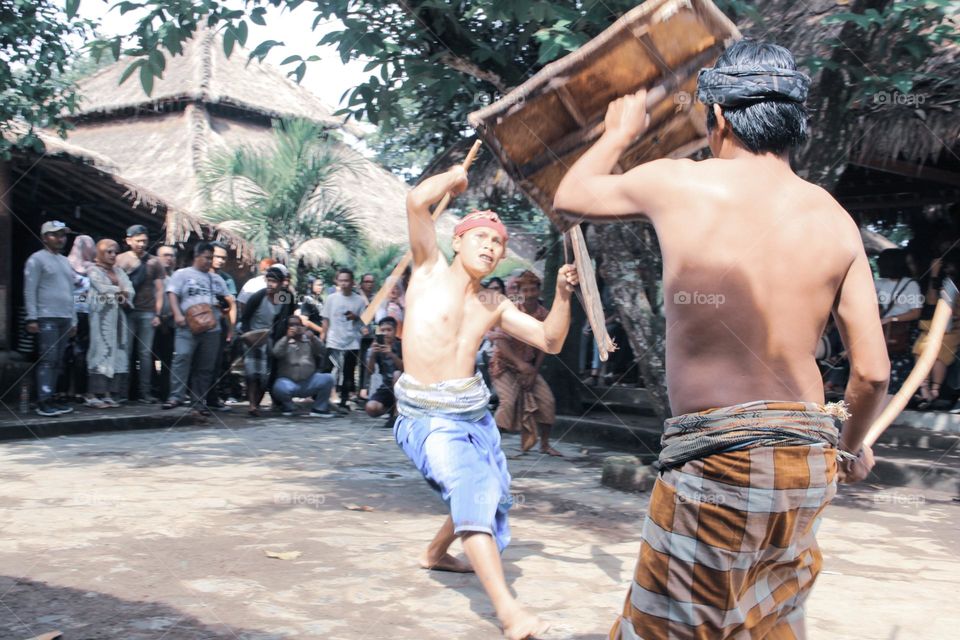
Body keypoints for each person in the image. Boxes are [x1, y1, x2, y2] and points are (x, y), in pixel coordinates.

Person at [554, 40, 889, 639]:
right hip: (807, 462)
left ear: (723, 117)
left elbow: (570, 196)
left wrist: (619, 132)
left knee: (666, 630)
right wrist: (849, 448)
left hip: (722, 460)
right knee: (764, 620)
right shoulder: (835, 218)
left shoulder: (680, 184)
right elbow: (872, 373)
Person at [395, 168, 578, 640]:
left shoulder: (493, 303)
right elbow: (417, 202)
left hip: (471, 414)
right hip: (427, 416)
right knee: (474, 486)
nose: (490, 247)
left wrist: (561, 295)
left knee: (489, 487)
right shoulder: (427, 268)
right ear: (457, 241)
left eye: (496, 243)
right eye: (480, 237)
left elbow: (551, 340)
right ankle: (510, 615)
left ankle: (435, 553)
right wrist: (453, 178)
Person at [489, 271, 561, 456]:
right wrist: (519, 364)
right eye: (525, 290)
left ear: (539, 291)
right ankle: (489, 445)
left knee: (547, 400)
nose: (529, 294)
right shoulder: (510, 311)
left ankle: (544, 444)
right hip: (504, 365)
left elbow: (545, 346)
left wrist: (533, 372)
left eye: (532, 290)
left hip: (529, 368)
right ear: (520, 292)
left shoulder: (544, 314)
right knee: (508, 402)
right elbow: (500, 340)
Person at [163, 242, 236, 415]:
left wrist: (229, 325)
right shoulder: (182, 274)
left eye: (211, 258)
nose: (209, 261)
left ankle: (198, 401)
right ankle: (176, 396)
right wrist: (177, 314)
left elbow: (229, 302)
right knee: (182, 357)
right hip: (187, 324)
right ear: (197, 256)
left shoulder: (216, 279)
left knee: (205, 366)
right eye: (207, 257)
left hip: (212, 327)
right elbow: (172, 294)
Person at [23, 220, 78, 417]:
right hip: (46, 316)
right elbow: (30, 290)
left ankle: (51, 396)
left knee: (58, 361)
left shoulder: (65, 261)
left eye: (63, 235)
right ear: (45, 237)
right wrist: (32, 318)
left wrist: (73, 320)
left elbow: (71, 292)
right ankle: (43, 400)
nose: (60, 239)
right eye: (55, 235)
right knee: (48, 359)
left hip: (64, 317)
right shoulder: (36, 259)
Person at [115, 224, 166, 403]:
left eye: (144, 241)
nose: (142, 244)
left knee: (145, 354)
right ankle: (122, 393)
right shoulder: (119, 260)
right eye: (138, 241)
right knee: (125, 352)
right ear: (128, 241)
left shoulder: (154, 262)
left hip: (147, 312)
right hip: (126, 312)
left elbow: (160, 290)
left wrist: (157, 314)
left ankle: (145, 393)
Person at [87, 239, 134, 408]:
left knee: (117, 353)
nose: (113, 255)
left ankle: (107, 394)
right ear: (99, 253)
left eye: (115, 252)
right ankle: (92, 394)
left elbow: (129, 289)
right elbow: (102, 289)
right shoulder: (93, 270)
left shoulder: (119, 271)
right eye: (109, 252)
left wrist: (122, 293)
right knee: (100, 352)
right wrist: (119, 291)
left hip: (119, 317)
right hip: (101, 318)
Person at [238, 265, 290, 417]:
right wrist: (248, 337)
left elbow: (286, 315)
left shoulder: (284, 297)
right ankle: (253, 405)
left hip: (270, 337)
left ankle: (257, 403)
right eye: (268, 280)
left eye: (274, 282)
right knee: (252, 374)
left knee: (264, 376)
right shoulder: (259, 296)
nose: (270, 285)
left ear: (281, 283)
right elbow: (245, 317)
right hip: (253, 336)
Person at [874, 248, 922, 400]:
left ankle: (886, 403)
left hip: (899, 330)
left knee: (890, 367)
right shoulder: (881, 283)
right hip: (886, 329)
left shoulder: (909, 285)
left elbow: (916, 312)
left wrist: (891, 319)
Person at [271, 316, 336, 418]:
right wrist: (287, 337)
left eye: (297, 324)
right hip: (289, 383)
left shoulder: (309, 340)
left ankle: (319, 408)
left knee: (328, 378)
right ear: (287, 327)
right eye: (291, 325)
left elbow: (323, 351)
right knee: (278, 387)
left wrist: (314, 338)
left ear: (302, 326)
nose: (295, 327)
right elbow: (276, 353)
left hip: (309, 382)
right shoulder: (284, 341)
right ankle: (288, 406)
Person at [321, 268, 367, 410]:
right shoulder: (331, 298)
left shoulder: (359, 301)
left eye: (347, 280)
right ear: (337, 281)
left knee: (348, 373)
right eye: (341, 280)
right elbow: (326, 319)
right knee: (327, 369)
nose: (344, 283)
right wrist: (323, 335)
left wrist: (356, 318)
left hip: (351, 342)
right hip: (333, 340)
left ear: (352, 282)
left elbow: (364, 322)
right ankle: (322, 399)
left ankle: (344, 401)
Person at [206, 242, 237, 411]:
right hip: (197, 325)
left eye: (223, 258)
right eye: (216, 256)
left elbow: (231, 305)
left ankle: (212, 398)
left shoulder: (226, 279)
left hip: (219, 325)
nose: (220, 260)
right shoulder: (194, 275)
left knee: (215, 364)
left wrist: (231, 330)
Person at [66, 235, 96, 405]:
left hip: (88, 314)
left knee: (82, 354)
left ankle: (79, 391)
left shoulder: (93, 267)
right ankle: (64, 391)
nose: (89, 249)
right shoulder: (66, 265)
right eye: (87, 246)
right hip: (70, 313)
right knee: (68, 352)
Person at [365, 316, 403, 426]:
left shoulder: (402, 345)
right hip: (387, 387)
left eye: (389, 330)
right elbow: (369, 372)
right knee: (371, 408)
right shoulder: (376, 347)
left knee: (397, 374)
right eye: (383, 330)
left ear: (395, 331)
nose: (386, 333)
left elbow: (405, 369)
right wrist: (372, 354)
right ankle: (391, 410)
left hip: (404, 386)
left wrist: (391, 354)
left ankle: (397, 415)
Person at [153, 245, 177, 402]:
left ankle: (166, 392)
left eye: (171, 255)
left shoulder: (177, 277)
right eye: (165, 255)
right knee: (147, 357)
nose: (169, 258)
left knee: (168, 360)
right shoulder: (152, 277)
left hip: (172, 324)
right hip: (153, 323)